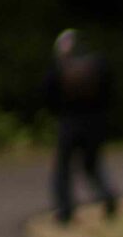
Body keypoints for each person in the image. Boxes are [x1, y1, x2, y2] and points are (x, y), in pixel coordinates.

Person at [41, 29, 117, 224]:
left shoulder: (59, 67)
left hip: (69, 123)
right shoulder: (97, 64)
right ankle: (106, 195)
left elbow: (48, 94)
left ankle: (65, 211)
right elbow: (109, 91)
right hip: (95, 122)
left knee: (63, 170)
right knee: (92, 165)